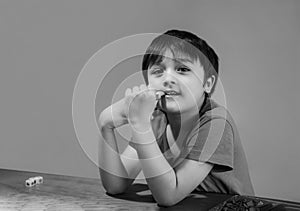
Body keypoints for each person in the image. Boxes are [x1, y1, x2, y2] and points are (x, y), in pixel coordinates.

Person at [98, 29, 254, 207]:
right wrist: (105, 124)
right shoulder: (157, 118)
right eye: (158, 71)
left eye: (182, 69)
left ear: (207, 84)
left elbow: (168, 196)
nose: (168, 78)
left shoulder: (216, 123)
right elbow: (115, 185)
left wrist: (139, 124)